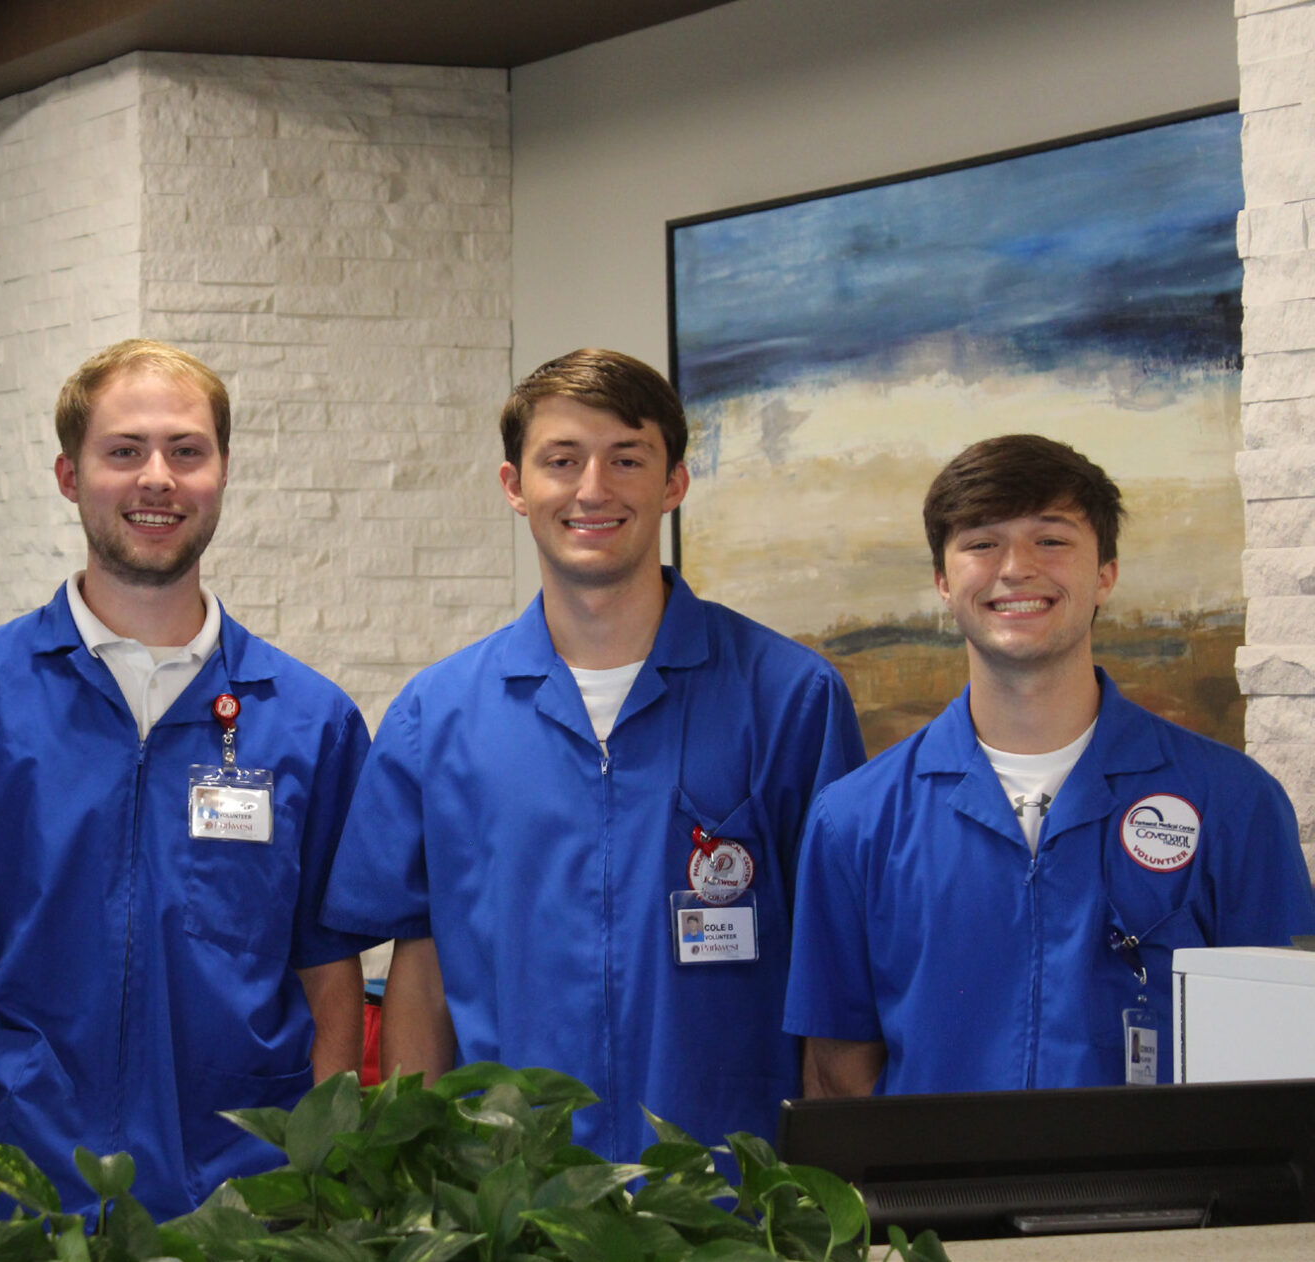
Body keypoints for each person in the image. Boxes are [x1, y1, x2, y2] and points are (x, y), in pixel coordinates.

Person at [321, 348, 865, 1159]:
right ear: (514, 487)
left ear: (674, 482)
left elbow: (835, 978)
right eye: (562, 461)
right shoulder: (436, 717)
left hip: (729, 1203)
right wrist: (419, 1188)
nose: (593, 490)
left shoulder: (790, 700)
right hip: (511, 1203)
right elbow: (421, 969)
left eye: (627, 459)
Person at [0, 339, 370, 1218]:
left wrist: (322, 1175)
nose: (156, 478)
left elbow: (331, 974)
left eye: (186, 451)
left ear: (223, 471)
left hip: (239, 1195)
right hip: (16, 1189)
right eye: (124, 451)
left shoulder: (311, 720)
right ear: (68, 474)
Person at [784, 434, 1315, 1095]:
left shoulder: (1233, 803)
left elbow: (1280, 1059)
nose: (1016, 568)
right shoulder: (853, 821)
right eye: (982, 542)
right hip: (939, 1199)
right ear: (944, 584)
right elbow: (839, 1074)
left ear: (1105, 575)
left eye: (1052, 539)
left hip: (1162, 1197)